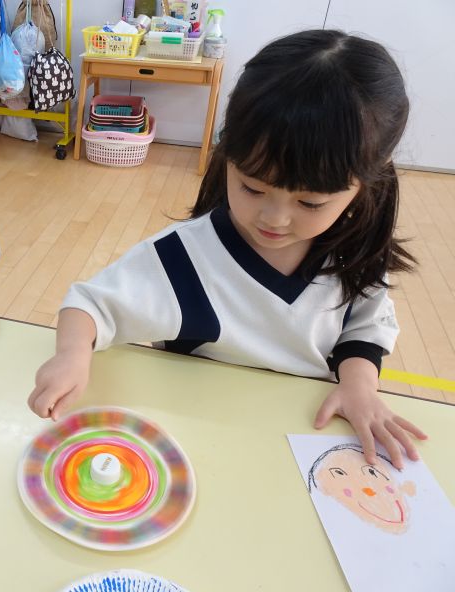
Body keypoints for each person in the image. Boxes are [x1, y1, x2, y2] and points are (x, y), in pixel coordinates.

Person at [27, 30, 427, 468]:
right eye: (253, 188)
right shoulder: (183, 260)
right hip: (199, 448)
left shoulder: (354, 254)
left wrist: (359, 386)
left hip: (301, 445)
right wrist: (72, 356)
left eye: (310, 203)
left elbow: (363, 330)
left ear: (365, 183)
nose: (275, 218)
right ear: (227, 153)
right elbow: (89, 305)